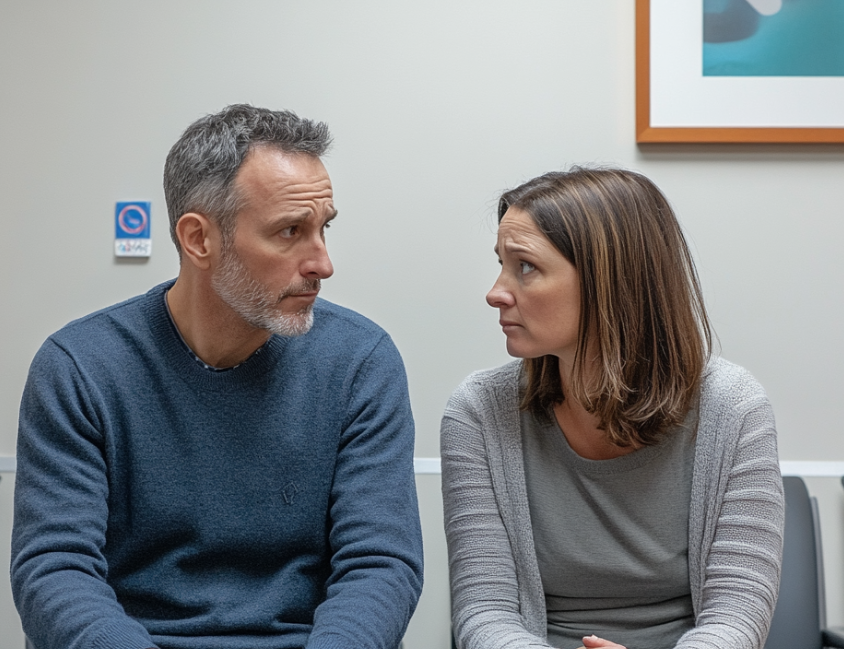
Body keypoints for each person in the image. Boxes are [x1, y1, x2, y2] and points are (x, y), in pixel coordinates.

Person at [12, 104, 423, 649]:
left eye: (324, 228)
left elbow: (380, 564)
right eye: (290, 232)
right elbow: (55, 570)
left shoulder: (360, 361)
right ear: (199, 239)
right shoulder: (80, 367)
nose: (322, 263)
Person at [441, 167, 783, 649]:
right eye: (501, 264)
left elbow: (738, 614)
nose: (496, 291)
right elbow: (484, 610)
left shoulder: (733, 409)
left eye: (525, 267)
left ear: (609, 283)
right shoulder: (478, 412)